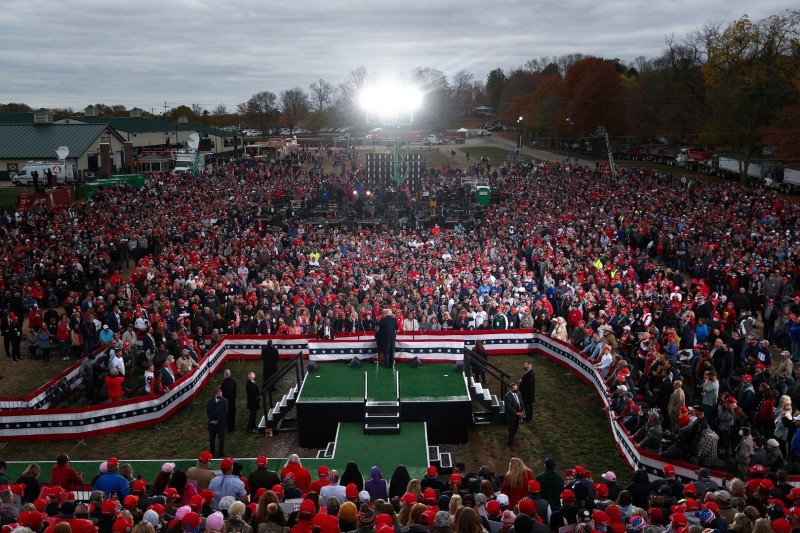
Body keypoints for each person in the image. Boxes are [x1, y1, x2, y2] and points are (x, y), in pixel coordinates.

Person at [207, 386, 229, 457]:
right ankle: (212, 453)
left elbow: (225, 413)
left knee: (221, 440)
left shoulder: (225, 401)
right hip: (212, 425)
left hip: (221, 424)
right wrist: (211, 421)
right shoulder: (210, 401)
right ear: (215, 394)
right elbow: (208, 412)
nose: (220, 395)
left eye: (221, 393)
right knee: (211, 440)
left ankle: (221, 453)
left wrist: (218, 421)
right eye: (219, 394)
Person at [504, 383, 525, 448]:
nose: (516, 389)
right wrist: (516, 413)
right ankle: (510, 443)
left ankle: (512, 441)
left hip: (518, 414)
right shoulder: (507, 396)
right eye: (514, 388)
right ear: (511, 389)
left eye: (516, 388)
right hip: (511, 416)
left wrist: (523, 410)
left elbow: (521, 402)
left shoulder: (518, 393)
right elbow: (509, 408)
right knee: (511, 429)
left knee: (515, 428)